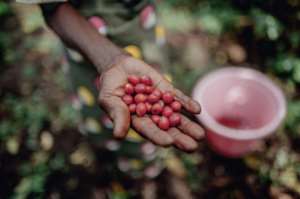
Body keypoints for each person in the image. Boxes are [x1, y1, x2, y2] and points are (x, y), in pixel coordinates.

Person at [16, 0, 204, 156]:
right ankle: (109, 154)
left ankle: (145, 167)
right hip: (85, 45)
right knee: (104, 117)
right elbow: (52, 7)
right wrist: (111, 60)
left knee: (146, 126)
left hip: (143, 27)